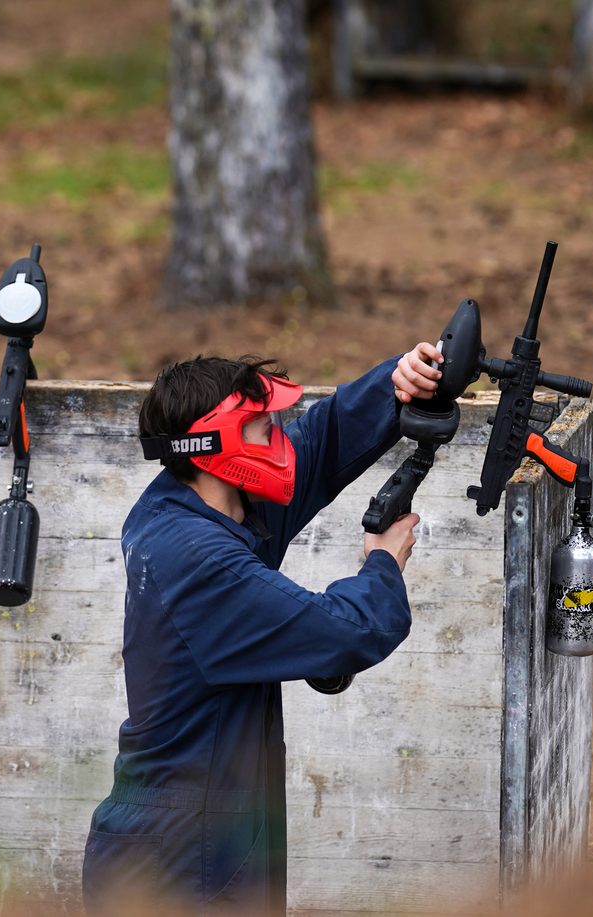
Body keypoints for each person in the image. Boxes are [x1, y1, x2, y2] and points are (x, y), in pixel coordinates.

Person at [82, 343, 444, 917]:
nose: (277, 440)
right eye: (259, 428)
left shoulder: (195, 503)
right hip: (180, 855)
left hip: (199, 827)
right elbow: (346, 632)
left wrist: (399, 382)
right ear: (211, 445)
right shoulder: (198, 558)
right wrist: (382, 564)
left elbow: (320, 442)